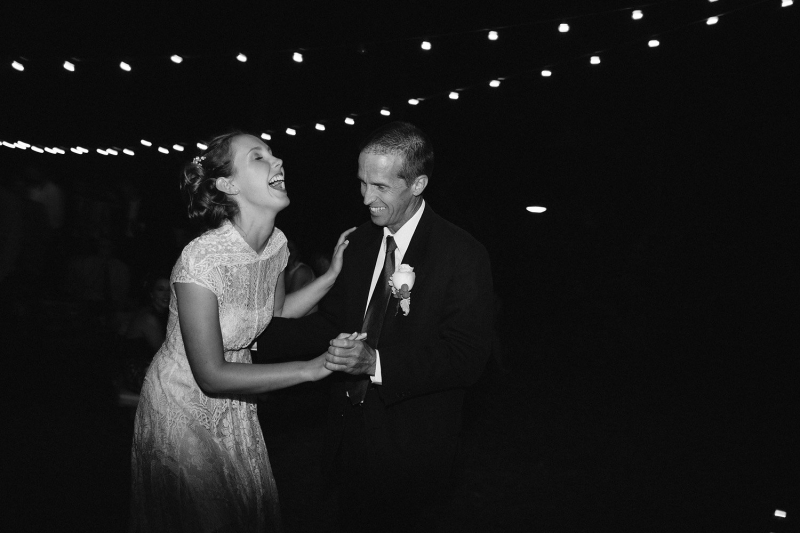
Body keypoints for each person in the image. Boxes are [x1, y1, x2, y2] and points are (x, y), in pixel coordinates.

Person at [258, 121, 495, 532]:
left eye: (381, 187)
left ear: (418, 183)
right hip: (350, 435)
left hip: (412, 446)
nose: (367, 198)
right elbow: (332, 323)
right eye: (362, 183)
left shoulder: (462, 254)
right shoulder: (362, 242)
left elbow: (466, 358)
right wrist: (253, 337)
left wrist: (376, 363)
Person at [129, 131, 356, 532]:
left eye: (273, 154)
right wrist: (311, 369)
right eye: (258, 157)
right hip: (183, 400)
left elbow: (277, 311)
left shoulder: (276, 246)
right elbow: (211, 374)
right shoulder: (200, 260)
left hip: (236, 402)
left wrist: (331, 276)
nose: (277, 161)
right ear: (228, 184)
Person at [119, 273, 170, 393]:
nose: (166, 294)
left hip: (152, 368)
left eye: (170, 290)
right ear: (152, 294)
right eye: (160, 289)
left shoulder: (165, 315)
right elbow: (165, 352)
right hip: (138, 372)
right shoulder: (149, 318)